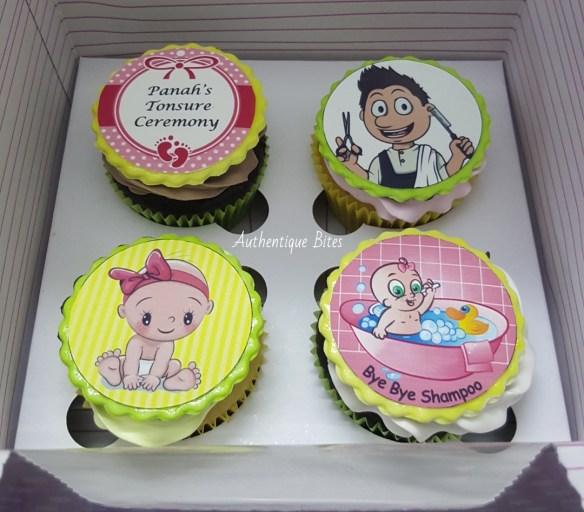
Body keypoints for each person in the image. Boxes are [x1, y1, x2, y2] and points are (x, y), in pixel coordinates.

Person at [336, 65, 474, 188]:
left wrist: (458, 157)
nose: (390, 119)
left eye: (403, 107)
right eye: (379, 109)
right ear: (363, 116)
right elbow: (370, 182)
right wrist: (352, 165)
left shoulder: (429, 156)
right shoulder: (380, 161)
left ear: (428, 110)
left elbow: (444, 176)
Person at [95, 249, 213, 391]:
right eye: (146, 318)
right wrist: (130, 375)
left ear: (207, 308)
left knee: (174, 365)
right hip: (130, 367)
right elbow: (132, 359)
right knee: (121, 361)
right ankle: (111, 369)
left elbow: (162, 362)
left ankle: (176, 380)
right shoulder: (136, 341)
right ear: (123, 311)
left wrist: (155, 377)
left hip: (160, 371)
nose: (165, 325)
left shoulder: (167, 344)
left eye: (187, 318)